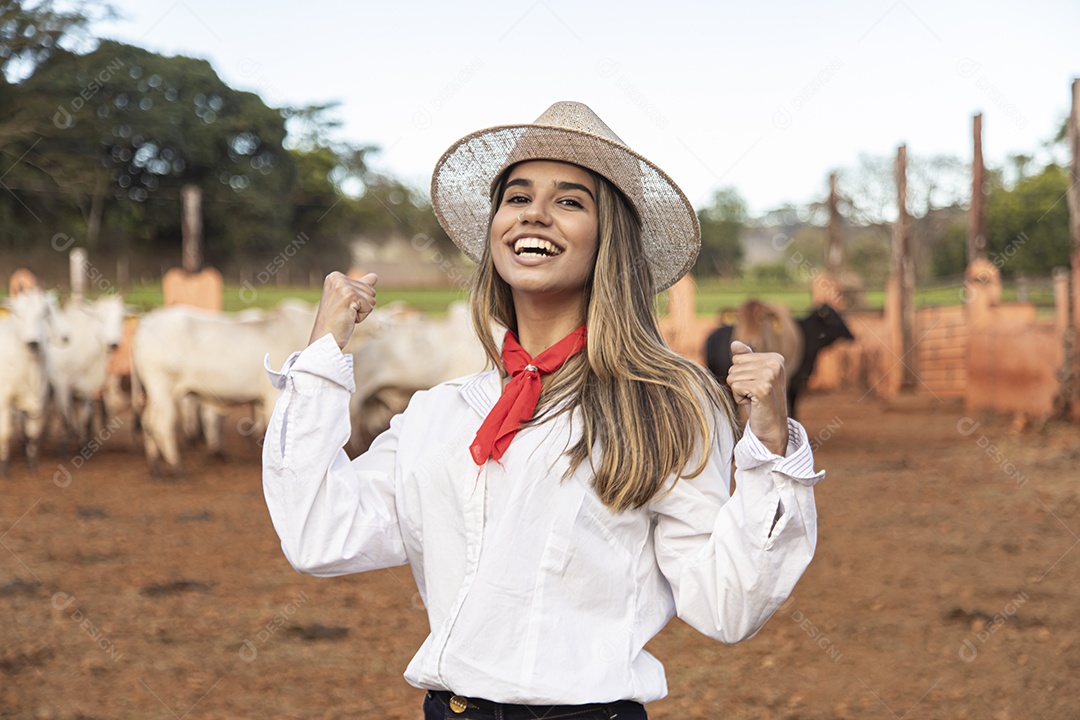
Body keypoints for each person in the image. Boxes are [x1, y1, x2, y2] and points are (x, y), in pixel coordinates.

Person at [262, 101, 824, 719]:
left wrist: (770, 445)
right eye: (518, 196)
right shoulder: (441, 413)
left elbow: (728, 604)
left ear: (608, 239)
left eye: (570, 200)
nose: (534, 212)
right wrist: (321, 356)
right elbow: (318, 534)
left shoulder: (665, 406)